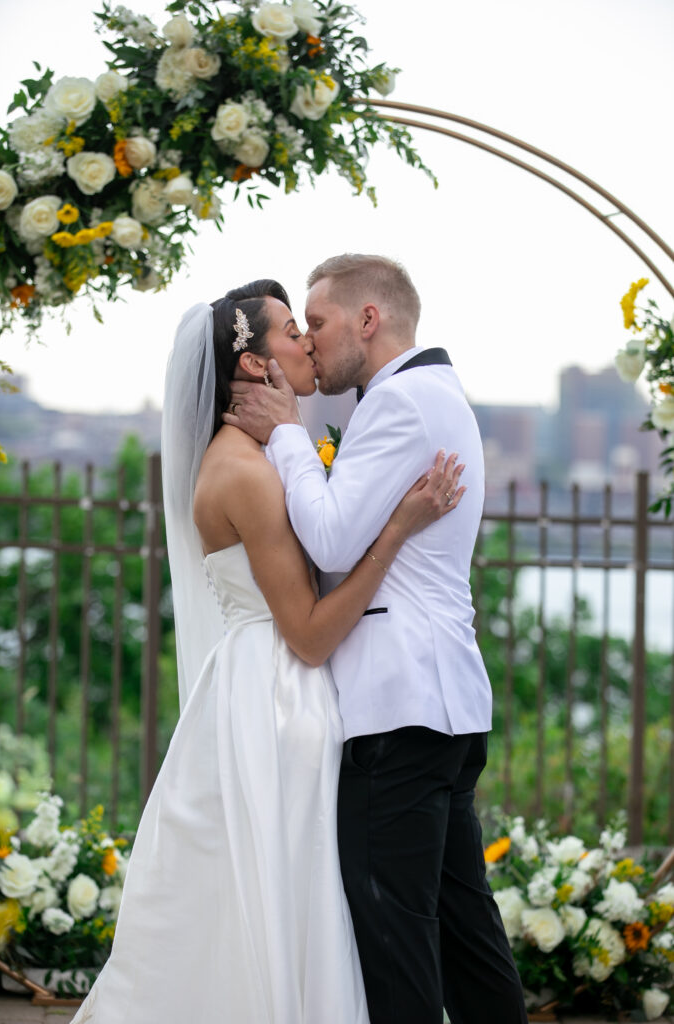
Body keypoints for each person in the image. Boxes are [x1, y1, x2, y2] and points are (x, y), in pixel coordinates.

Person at [69, 279, 464, 1024]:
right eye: (291, 330)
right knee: (286, 899)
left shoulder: (259, 457)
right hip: (279, 703)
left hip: (261, 689)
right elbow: (310, 635)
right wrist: (398, 529)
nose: (307, 342)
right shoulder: (246, 473)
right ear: (253, 365)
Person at [226, 255, 529, 1024]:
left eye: (318, 324)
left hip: (397, 713)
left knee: (394, 938)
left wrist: (290, 436)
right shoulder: (431, 395)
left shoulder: (399, 404)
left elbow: (328, 540)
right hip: (440, 708)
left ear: (369, 319)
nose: (312, 343)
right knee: (463, 934)